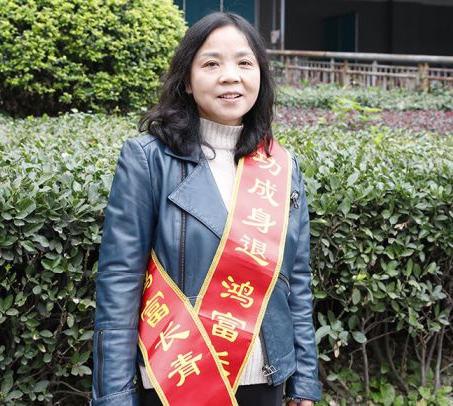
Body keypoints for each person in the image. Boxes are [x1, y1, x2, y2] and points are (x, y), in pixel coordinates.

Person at [91, 12, 320, 406]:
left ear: (260, 75)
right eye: (212, 63)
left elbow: (295, 280)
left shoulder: (280, 166)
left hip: (264, 378)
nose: (230, 76)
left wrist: (304, 382)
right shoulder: (148, 159)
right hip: (177, 378)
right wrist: (114, 395)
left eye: (244, 62)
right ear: (186, 79)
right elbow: (120, 281)